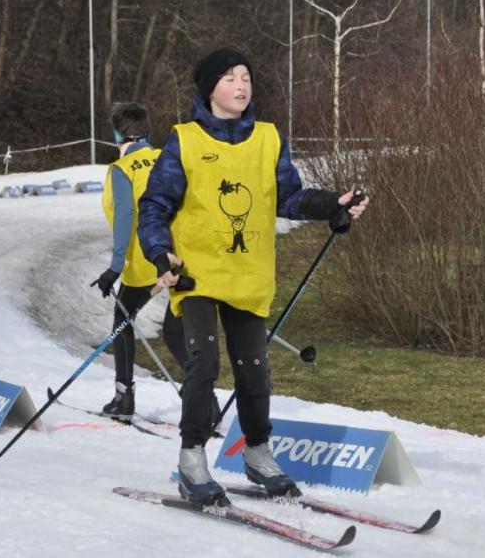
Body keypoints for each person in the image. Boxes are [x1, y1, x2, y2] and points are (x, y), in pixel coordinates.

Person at [138, 46, 369, 506]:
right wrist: (161, 255)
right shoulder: (183, 140)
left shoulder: (267, 137)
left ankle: (258, 453)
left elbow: (289, 197)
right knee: (204, 362)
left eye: (246, 76)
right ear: (209, 89)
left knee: (255, 370)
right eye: (229, 78)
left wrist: (332, 206)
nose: (241, 85)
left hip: (249, 276)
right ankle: (191, 458)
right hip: (197, 277)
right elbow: (155, 206)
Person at [89, 102, 188, 417]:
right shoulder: (167, 159)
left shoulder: (120, 169)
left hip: (144, 262)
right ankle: (204, 400)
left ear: (118, 133)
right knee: (175, 331)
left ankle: (124, 397)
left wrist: (115, 267)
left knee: (122, 322)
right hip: (179, 256)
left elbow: (124, 217)